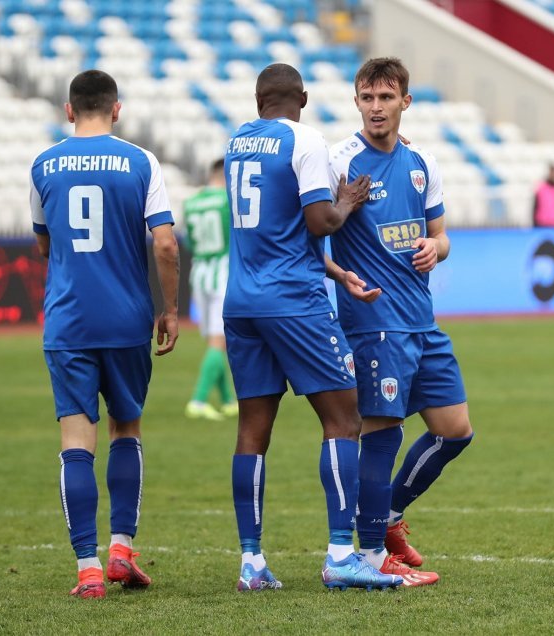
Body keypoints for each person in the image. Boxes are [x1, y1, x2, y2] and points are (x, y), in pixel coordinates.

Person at [222, 63, 402, 591]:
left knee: (253, 429)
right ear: (302, 97)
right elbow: (319, 222)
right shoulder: (305, 140)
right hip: (294, 301)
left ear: (258, 101)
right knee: (344, 420)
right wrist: (347, 201)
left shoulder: (237, 143)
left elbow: (274, 229)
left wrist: (337, 267)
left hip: (242, 301)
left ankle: (251, 563)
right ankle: (341, 555)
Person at [29, 69, 179, 598]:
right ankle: (121, 549)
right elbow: (164, 244)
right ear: (117, 109)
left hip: (69, 321)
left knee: (75, 442)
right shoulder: (140, 161)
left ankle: (87, 569)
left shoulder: (43, 165)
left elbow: (46, 245)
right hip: (125, 320)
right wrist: (171, 309)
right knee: (126, 429)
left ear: (69, 110)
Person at [326, 57, 474, 587]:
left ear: (404, 102)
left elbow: (444, 235)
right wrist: (342, 274)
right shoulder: (339, 162)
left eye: (386, 98)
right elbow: (309, 235)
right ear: (357, 101)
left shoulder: (422, 163)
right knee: (382, 433)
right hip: (373, 320)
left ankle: (387, 514)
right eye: (367, 97)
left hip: (422, 321)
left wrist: (438, 246)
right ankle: (369, 556)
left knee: (455, 432)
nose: (375, 108)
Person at [182, 158, 237, 421]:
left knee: (214, 342)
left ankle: (228, 400)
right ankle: (199, 400)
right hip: (223, 273)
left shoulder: (191, 203)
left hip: (200, 274)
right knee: (219, 343)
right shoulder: (228, 201)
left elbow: (190, 243)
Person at [532, 164, 554, 228]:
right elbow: (535, 207)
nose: (553, 175)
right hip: (542, 224)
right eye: (551, 172)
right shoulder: (541, 189)